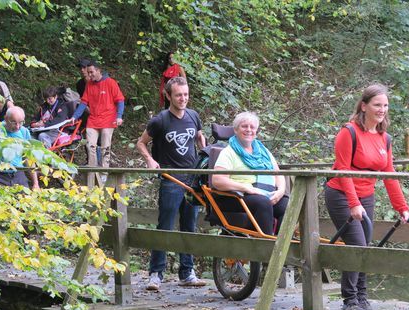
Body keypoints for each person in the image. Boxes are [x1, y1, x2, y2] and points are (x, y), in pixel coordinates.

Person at [325, 84, 409, 310]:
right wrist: (353, 203)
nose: (382, 109)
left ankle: (362, 298)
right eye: (377, 105)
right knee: (357, 245)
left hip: (366, 196)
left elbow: (390, 175)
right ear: (364, 106)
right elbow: (342, 170)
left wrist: (402, 207)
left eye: (385, 105)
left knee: (366, 246)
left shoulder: (385, 138)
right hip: (341, 194)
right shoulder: (349, 132)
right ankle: (349, 303)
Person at [136, 76, 207, 291]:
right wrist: (150, 159)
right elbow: (141, 143)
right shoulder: (160, 120)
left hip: (191, 179)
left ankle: (187, 272)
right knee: (165, 226)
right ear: (168, 96)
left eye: (185, 94)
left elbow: (199, 137)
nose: (183, 98)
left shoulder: (193, 116)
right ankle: (156, 273)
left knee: (189, 226)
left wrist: (204, 148)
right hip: (170, 179)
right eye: (178, 95)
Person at [211, 112, 288, 236]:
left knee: (288, 205)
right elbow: (217, 180)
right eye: (244, 126)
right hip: (238, 195)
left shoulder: (263, 151)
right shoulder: (228, 152)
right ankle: (265, 247)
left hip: (265, 192)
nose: (249, 130)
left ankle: (281, 245)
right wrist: (247, 188)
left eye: (252, 127)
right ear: (236, 130)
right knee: (263, 203)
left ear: (256, 131)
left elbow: (278, 173)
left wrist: (280, 191)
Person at [71, 61, 125, 170]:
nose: (89, 75)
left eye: (91, 72)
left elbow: (120, 100)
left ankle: (104, 171)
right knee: (90, 145)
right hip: (93, 119)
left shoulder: (111, 82)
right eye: (88, 72)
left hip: (108, 119)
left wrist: (119, 116)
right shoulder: (89, 84)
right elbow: (84, 102)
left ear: (98, 70)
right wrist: (74, 116)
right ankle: (93, 170)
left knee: (105, 147)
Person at [0, 106, 39, 190]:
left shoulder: (24, 132)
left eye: (21, 122)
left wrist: (35, 183)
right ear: (6, 118)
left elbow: (29, 158)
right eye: (14, 122)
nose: (18, 126)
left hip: (18, 173)